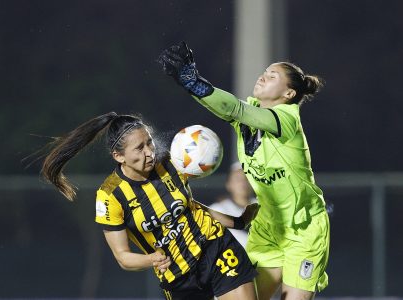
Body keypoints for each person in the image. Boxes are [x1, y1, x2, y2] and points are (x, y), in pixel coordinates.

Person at [158, 42, 330, 300]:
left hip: (304, 230)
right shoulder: (248, 115)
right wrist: (189, 85)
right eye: (265, 72)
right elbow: (223, 107)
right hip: (268, 227)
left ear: (289, 94)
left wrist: (195, 82)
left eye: (273, 76)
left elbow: (233, 108)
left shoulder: (286, 119)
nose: (263, 76)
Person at [40, 112, 259, 300]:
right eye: (139, 148)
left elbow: (190, 207)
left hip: (215, 247)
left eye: (149, 142)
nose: (149, 152)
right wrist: (150, 259)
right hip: (178, 276)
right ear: (119, 156)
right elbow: (123, 257)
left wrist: (237, 222)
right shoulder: (110, 196)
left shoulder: (170, 162)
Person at [210, 161, 257, 248]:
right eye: (238, 179)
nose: (243, 183)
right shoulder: (217, 209)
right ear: (229, 184)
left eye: (246, 178)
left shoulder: (265, 208)